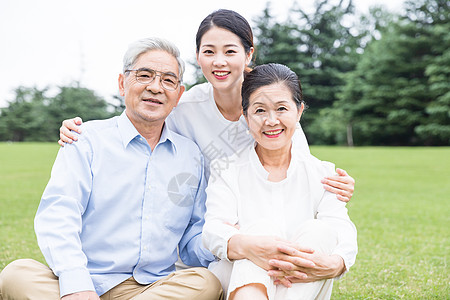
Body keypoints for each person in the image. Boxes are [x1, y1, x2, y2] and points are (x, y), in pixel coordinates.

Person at [57, 9, 355, 281]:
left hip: (267, 226)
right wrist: (85, 130)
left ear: (248, 54)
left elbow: (299, 173)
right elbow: (144, 112)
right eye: (209, 51)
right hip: (213, 234)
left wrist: (335, 186)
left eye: (230, 51)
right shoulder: (183, 107)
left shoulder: (274, 108)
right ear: (198, 57)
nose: (219, 61)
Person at [0, 37, 222, 300]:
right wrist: (77, 286)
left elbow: (191, 240)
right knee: (17, 274)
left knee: (205, 283)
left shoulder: (190, 155)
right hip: (82, 281)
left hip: (151, 289)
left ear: (178, 95)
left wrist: (228, 239)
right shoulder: (85, 139)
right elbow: (59, 215)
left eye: (168, 80)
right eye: (144, 75)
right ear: (122, 83)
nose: (155, 87)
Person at [202, 63, 358, 300]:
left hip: (302, 283)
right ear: (245, 117)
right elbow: (213, 230)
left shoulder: (322, 173)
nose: (271, 121)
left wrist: (338, 263)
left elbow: (341, 228)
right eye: (260, 111)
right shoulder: (227, 170)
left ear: (299, 111)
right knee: (261, 233)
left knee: (320, 231)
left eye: (281, 108)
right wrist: (250, 246)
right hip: (238, 279)